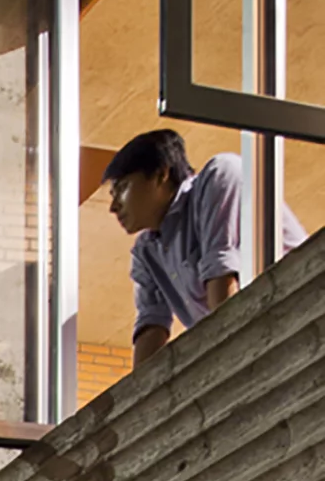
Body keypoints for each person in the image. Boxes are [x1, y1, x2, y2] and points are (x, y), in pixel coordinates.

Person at [103, 129, 304, 362]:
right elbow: (151, 325)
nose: (113, 206)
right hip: (262, 340)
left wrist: (232, 363)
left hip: (300, 313)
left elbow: (222, 277)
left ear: (161, 175)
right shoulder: (146, 251)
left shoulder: (219, 176)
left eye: (122, 188)